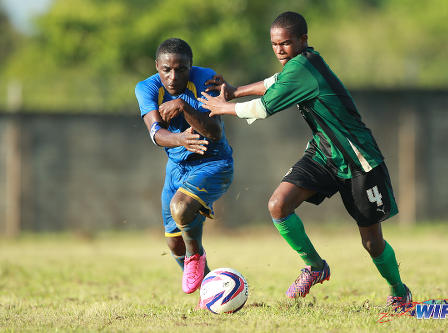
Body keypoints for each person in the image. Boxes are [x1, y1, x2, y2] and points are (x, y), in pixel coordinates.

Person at [199, 11, 412, 306]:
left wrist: (222, 107)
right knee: (278, 204)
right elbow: (274, 81)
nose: (279, 50)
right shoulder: (302, 62)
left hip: (359, 159)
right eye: (274, 44)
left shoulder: (303, 68)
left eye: (285, 43)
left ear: (303, 40)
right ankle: (315, 266)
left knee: (372, 243)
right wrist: (235, 91)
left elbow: (261, 108)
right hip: (324, 152)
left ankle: (399, 291)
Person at [135, 38, 233, 295]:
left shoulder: (206, 79)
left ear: (191, 66)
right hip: (176, 169)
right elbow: (155, 133)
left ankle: (195, 255)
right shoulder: (146, 88)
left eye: (181, 69)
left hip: (214, 162)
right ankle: (210, 290)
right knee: (173, 243)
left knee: (181, 208)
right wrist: (180, 139)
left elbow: (214, 131)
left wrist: (182, 105)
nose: (173, 76)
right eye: (166, 69)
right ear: (157, 66)